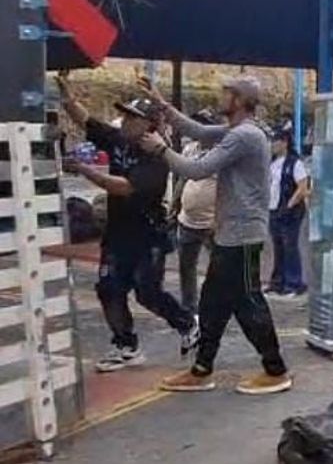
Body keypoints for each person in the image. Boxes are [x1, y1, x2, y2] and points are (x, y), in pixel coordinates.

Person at [137, 75, 290, 395]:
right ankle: (202, 370)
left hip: (243, 236)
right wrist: (163, 105)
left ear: (239, 100)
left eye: (226, 93)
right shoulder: (240, 130)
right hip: (229, 235)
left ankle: (275, 371)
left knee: (249, 302)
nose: (221, 97)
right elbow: (198, 131)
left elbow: (197, 169)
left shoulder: (245, 135)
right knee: (212, 303)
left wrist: (161, 149)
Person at [55, 75, 200, 373]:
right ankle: (125, 345)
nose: (126, 121)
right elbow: (88, 122)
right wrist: (68, 98)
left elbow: (121, 187)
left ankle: (187, 324)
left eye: (133, 117)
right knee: (108, 288)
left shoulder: (158, 159)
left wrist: (83, 169)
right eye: (126, 116)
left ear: (150, 125)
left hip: (147, 237)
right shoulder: (119, 139)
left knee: (147, 292)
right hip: (117, 234)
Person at [174, 110, 219, 315]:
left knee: (218, 268)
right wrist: (174, 203)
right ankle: (189, 306)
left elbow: (228, 189)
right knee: (186, 266)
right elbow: (182, 178)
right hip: (187, 219)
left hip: (212, 223)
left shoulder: (221, 154)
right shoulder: (189, 149)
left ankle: (215, 305)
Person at [266, 126, 309, 298]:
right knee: (278, 246)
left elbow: (302, 187)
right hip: (273, 208)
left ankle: (294, 283)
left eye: (276, 141)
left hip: (290, 211)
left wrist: (290, 205)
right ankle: (278, 282)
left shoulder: (294, 163)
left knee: (290, 246)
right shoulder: (272, 163)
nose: (273, 145)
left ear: (284, 143)